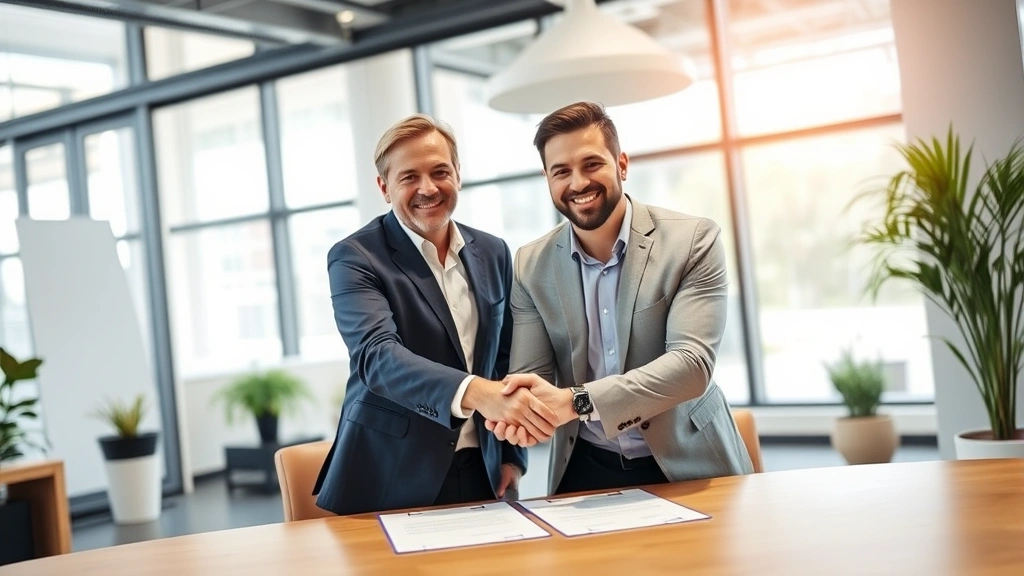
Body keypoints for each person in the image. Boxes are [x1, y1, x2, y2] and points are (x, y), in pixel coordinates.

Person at [486, 101, 753, 495]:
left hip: (689, 461)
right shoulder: (530, 264)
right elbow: (534, 380)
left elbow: (692, 366)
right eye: (561, 171)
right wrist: (522, 414)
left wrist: (578, 401)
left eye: (591, 164)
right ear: (547, 179)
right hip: (586, 466)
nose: (577, 183)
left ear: (621, 165)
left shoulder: (693, 240)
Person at [313, 114, 558, 515]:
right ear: (384, 187)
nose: (428, 188)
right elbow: (378, 357)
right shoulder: (355, 257)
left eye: (440, 171)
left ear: (458, 175)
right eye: (409, 177)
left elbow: (502, 358)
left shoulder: (493, 251)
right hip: (391, 473)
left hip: (483, 469)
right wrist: (478, 393)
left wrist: (512, 457)